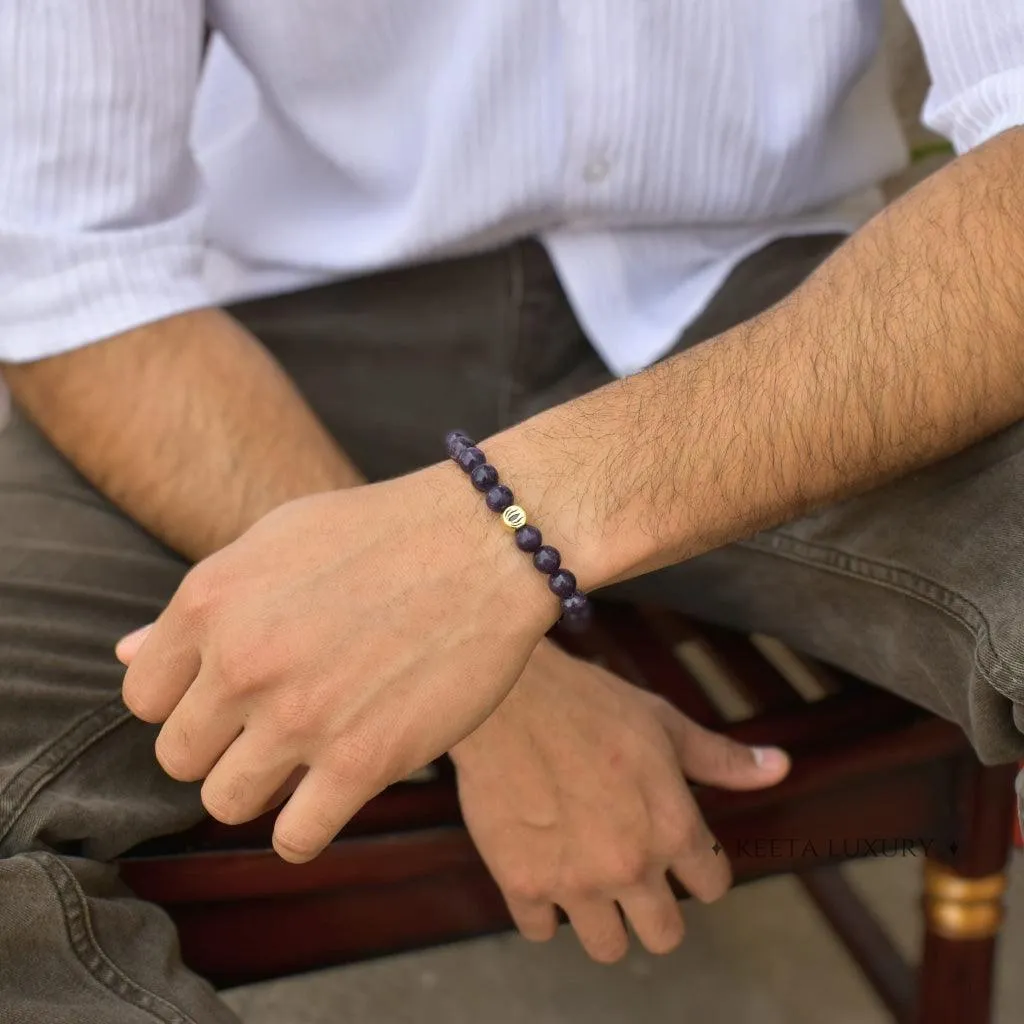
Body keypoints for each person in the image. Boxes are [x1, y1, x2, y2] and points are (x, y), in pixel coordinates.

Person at [2, 2, 1023, 1021]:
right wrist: (496, 690)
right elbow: (78, 262)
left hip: (777, 310)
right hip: (263, 348)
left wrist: (500, 538)